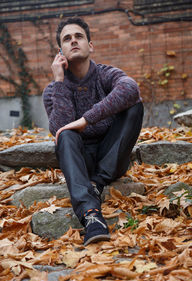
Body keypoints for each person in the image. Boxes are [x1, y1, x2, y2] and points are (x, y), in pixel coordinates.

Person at [43, 17, 144, 246]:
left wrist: (86, 120)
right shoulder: (52, 91)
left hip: (112, 157)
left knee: (134, 106)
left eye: (79, 36)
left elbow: (131, 89)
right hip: (80, 161)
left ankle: (98, 182)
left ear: (91, 45)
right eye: (67, 39)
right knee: (66, 134)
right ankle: (91, 215)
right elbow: (59, 129)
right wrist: (59, 81)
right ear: (61, 52)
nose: (73, 41)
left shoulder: (106, 74)